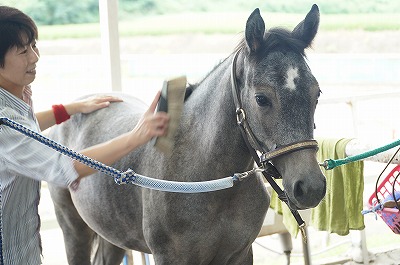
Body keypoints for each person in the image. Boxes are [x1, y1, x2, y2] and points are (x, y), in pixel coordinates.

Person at [0, 5, 169, 265]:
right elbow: (62, 166)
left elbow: (27, 128)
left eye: (34, 45)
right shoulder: (3, 122)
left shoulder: (17, 94)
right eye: (23, 51)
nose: (34, 57)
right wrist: (135, 137)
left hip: (24, 243)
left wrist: (71, 109)